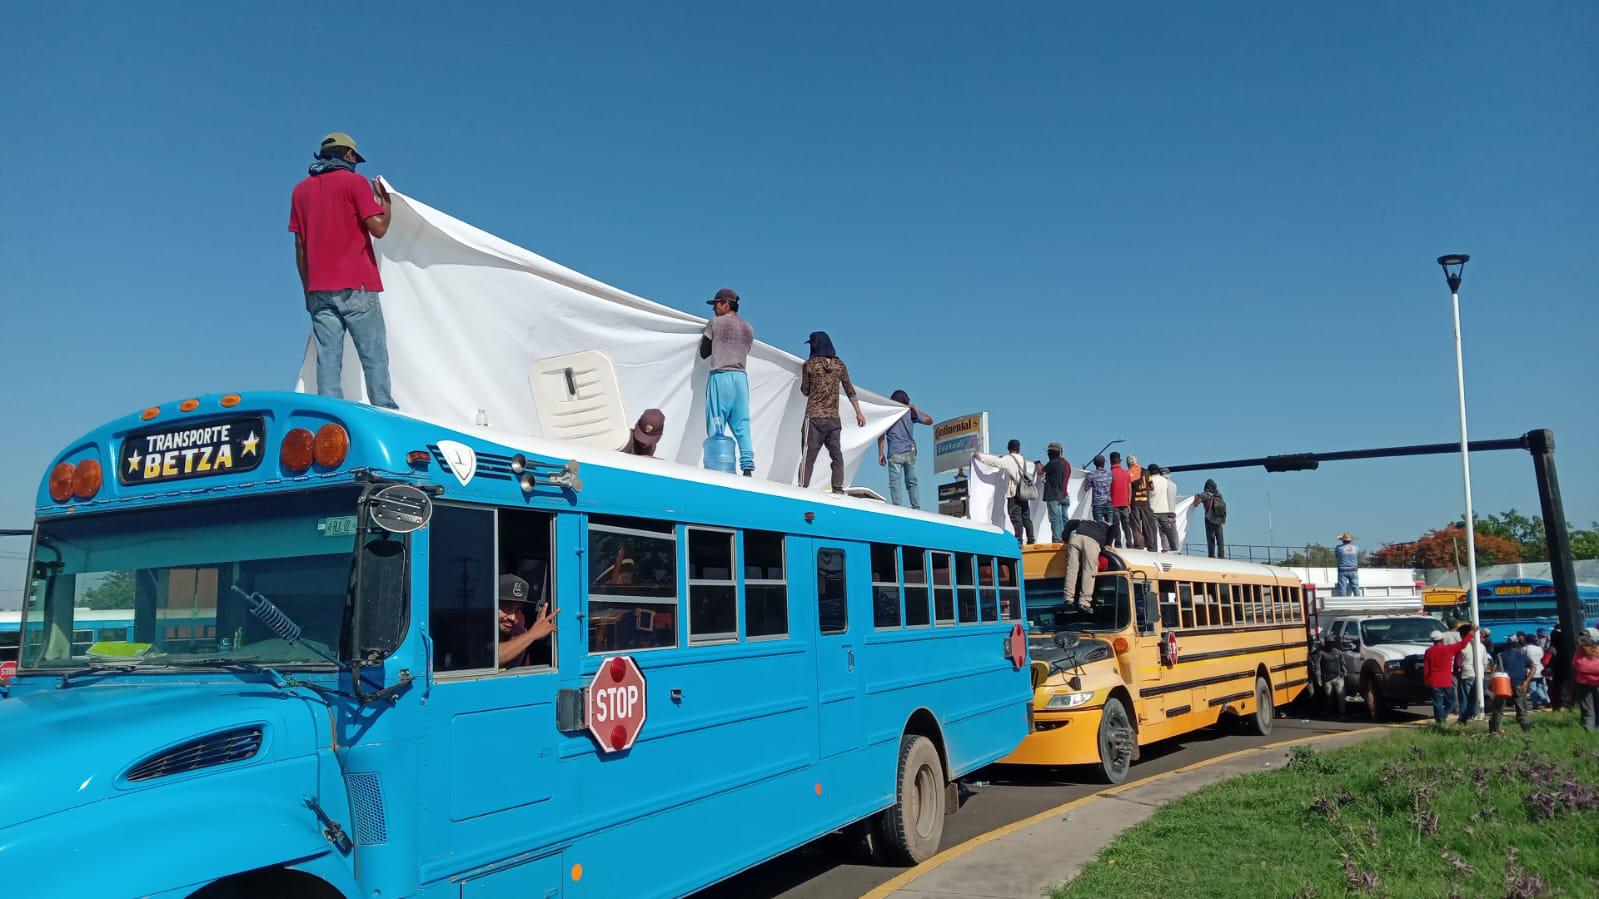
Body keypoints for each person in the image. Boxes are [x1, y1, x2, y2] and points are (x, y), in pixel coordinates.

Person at [289, 132, 398, 409]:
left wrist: (307, 291)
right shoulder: (355, 183)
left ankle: (330, 419)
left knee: (328, 360)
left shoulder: (300, 191)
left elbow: (300, 248)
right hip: (356, 284)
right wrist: (386, 204)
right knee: (373, 355)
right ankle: (385, 411)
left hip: (318, 289)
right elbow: (379, 229)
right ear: (348, 155)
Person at [798, 331, 866, 492]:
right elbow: (850, 389)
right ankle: (837, 487)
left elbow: (805, 390)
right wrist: (858, 412)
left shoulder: (809, 365)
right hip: (833, 419)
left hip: (814, 417)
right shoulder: (839, 365)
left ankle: (802, 487)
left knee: (808, 456)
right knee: (836, 454)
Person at [700, 288, 756, 476]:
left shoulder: (715, 323)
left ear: (725, 303)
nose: (714, 308)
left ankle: (718, 467)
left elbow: (704, 352)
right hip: (741, 378)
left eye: (716, 304)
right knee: (742, 424)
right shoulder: (748, 328)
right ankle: (747, 468)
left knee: (716, 423)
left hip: (720, 376)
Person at [974, 441, 1039, 546]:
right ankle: (1031, 538)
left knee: (1015, 515)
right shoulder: (1022, 459)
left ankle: (1019, 540)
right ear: (1018, 448)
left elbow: (995, 462)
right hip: (1024, 492)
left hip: (1014, 491)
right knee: (1026, 516)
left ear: (1009, 448)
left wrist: (980, 457)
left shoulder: (1008, 459)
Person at [878, 390, 932, 508]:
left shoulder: (889, 413)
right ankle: (916, 507)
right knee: (912, 481)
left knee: (895, 482)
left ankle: (898, 507)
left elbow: (881, 434)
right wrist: (915, 409)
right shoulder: (910, 412)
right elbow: (929, 420)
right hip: (910, 451)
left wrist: (880, 453)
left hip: (894, 452)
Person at [497, 574, 557, 668]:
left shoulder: (519, 631)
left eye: (518, 610)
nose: (512, 617)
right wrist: (532, 634)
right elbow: (492, 658)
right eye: (506, 608)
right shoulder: (478, 630)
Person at [1423, 625, 1473, 725]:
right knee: (1452, 702)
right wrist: (1471, 633)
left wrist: (1426, 681)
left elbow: (1426, 669)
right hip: (1446, 681)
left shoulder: (1428, 652)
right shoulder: (1448, 649)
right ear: (1441, 639)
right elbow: (1462, 644)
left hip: (1433, 681)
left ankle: (1440, 720)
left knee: (1437, 703)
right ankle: (1442, 717)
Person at [1061, 517, 1112, 611]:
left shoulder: (1083, 521)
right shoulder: (1107, 526)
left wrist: (1065, 538)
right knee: (1089, 571)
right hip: (1092, 540)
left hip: (1075, 536)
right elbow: (1114, 529)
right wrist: (1108, 543)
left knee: (1072, 569)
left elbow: (1071, 522)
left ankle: (1068, 599)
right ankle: (1084, 602)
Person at [1489, 634, 1536, 734]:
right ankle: (1527, 733)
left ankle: (1494, 731)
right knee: (1522, 710)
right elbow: (1533, 667)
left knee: (1498, 709)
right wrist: (1526, 682)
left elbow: (1494, 670)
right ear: (1517, 644)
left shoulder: (1500, 655)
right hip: (1520, 685)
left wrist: (1491, 685)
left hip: (1503, 685)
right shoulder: (1522, 655)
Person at [1311, 634, 1349, 720]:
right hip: (1327, 679)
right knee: (1329, 698)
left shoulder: (1338, 652)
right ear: (1325, 643)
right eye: (1328, 643)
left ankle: (1342, 715)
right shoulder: (1321, 652)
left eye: (1331, 643)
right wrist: (1319, 678)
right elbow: (1317, 666)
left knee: (1341, 697)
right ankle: (1330, 715)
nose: (1330, 644)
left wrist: (1344, 676)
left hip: (1338, 678)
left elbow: (1343, 665)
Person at [1456, 622, 1487, 724]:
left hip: (1466, 674)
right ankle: (1473, 716)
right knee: (1475, 698)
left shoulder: (1462, 646)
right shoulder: (1481, 646)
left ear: (1462, 634)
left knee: (1464, 698)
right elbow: (1485, 662)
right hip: (1479, 675)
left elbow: (1458, 663)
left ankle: (1464, 718)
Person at [1041, 442, 1071, 543]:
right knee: (1064, 520)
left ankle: (1057, 539)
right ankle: (1066, 539)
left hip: (1055, 495)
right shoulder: (1067, 464)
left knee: (1055, 519)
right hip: (1064, 495)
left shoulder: (1054, 463)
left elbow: (1040, 471)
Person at [1148, 466, 1179, 552]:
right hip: (1171, 511)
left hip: (1163, 510)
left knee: (1162, 532)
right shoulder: (1173, 485)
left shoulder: (1161, 483)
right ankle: (1174, 547)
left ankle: (1165, 548)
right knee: (1171, 530)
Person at [1573, 628, 1599, 732]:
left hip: (1583, 684)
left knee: (1587, 709)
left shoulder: (1579, 653)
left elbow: (1574, 667)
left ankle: (1589, 730)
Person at [1079, 455, 1114, 527]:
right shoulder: (1110, 474)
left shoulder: (1091, 475)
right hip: (1108, 502)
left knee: (1099, 528)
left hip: (1097, 504)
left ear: (1094, 464)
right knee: (1110, 528)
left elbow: (1086, 488)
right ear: (1104, 463)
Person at [1195, 479, 1227, 558]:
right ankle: (1221, 557)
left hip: (1209, 520)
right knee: (1220, 540)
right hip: (1219, 520)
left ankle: (1211, 557)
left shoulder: (1205, 495)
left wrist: (1197, 497)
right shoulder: (1219, 494)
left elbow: (1195, 504)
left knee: (1210, 540)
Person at [1108, 452, 1132, 548]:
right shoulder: (1126, 474)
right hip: (1125, 504)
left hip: (1113, 505)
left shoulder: (1110, 474)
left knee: (1116, 526)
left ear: (1110, 461)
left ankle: (1118, 545)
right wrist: (1129, 504)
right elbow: (1130, 490)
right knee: (1126, 526)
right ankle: (1130, 544)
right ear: (1120, 460)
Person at [1130, 463, 1156, 550]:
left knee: (1136, 525)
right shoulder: (1147, 472)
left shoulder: (1130, 473)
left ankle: (1139, 544)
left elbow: (1129, 488)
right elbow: (1152, 487)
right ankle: (1150, 544)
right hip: (1145, 502)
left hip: (1135, 502)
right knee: (1147, 524)